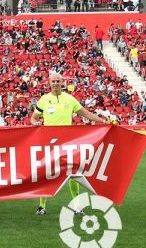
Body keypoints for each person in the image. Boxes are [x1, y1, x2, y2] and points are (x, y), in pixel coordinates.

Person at [30, 71, 110, 216]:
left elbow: (86, 114)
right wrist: (35, 122)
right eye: (53, 81)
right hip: (49, 143)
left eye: (57, 81)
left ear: (62, 83)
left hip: (67, 143)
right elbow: (33, 118)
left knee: (73, 173)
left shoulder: (70, 99)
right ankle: (42, 206)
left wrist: (103, 121)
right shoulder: (43, 100)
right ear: (49, 83)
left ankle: (77, 207)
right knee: (47, 174)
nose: (55, 84)